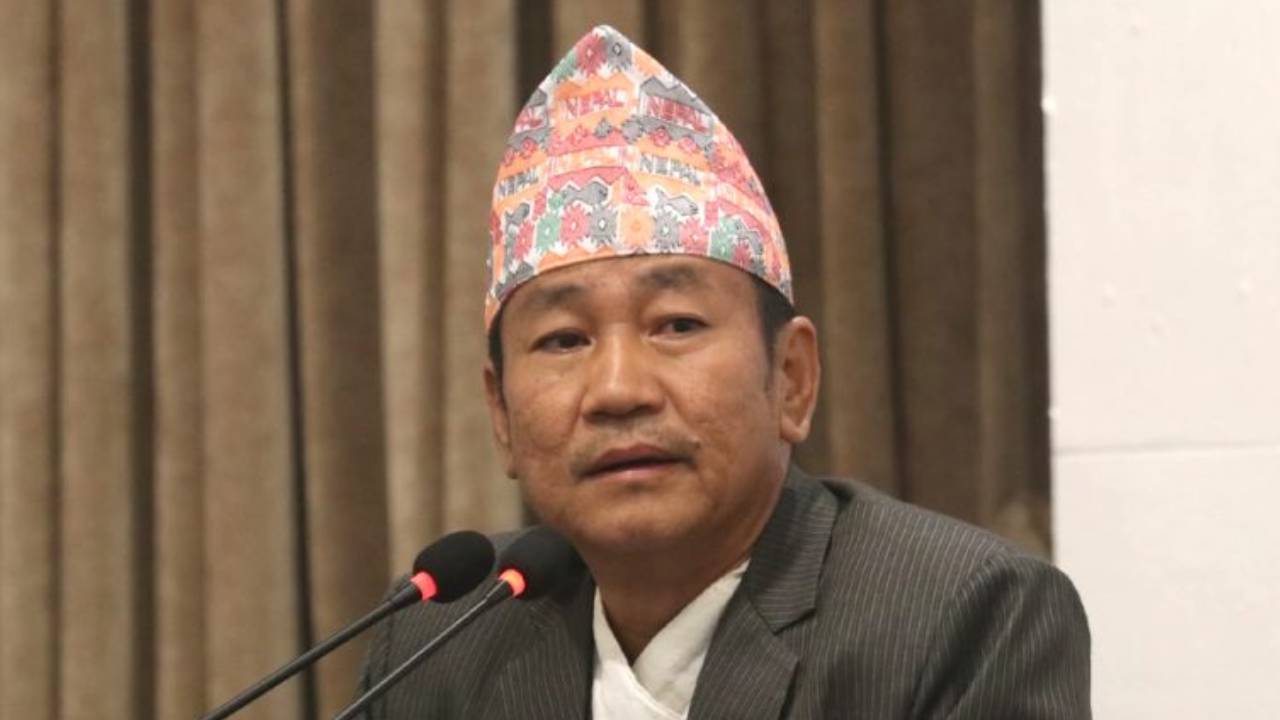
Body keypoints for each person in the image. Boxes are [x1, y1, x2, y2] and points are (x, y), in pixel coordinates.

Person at [357, 25, 1090, 719]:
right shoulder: (438, 640)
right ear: (500, 414)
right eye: (564, 340)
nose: (618, 390)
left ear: (792, 378)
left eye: (676, 326)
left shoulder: (963, 615)